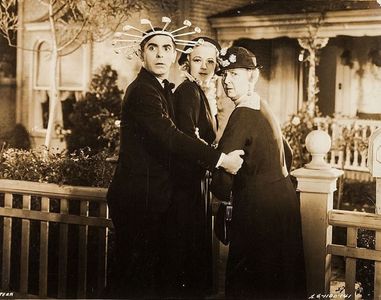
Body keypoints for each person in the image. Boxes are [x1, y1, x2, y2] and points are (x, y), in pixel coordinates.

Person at [106, 22, 244, 299]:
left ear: (173, 55)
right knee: (133, 281)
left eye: (166, 48)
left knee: (145, 280)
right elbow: (169, 136)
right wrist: (220, 159)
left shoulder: (160, 88)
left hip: (151, 198)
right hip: (139, 199)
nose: (160, 55)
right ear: (141, 54)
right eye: (152, 48)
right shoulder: (143, 91)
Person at [211, 46, 307, 299]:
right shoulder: (262, 105)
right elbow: (287, 153)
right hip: (283, 202)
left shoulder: (241, 114)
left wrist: (218, 191)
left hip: (258, 209)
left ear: (252, 77)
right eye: (224, 75)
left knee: (251, 282)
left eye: (235, 75)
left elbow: (222, 180)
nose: (227, 81)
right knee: (280, 278)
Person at [168, 37, 221, 297]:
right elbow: (188, 136)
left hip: (195, 180)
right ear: (187, 61)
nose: (204, 66)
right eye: (198, 60)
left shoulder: (199, 91)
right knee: (186, 252)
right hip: (185, 184)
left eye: (210, 61)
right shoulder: (188, 91)